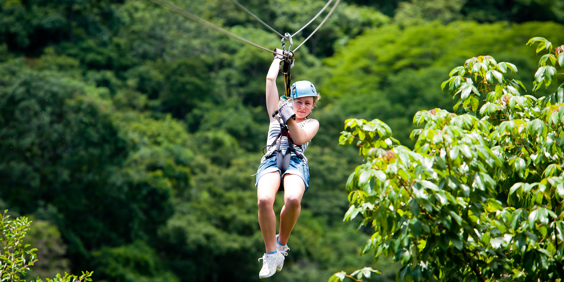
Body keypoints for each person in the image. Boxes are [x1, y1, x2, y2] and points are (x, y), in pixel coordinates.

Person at [254, 52, 320, 279]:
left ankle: (281, 244)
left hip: (295, 162)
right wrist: (277, 58)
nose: (302, 107)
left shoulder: (312, 123)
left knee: (292, 199)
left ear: (312, 106)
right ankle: (270, 253)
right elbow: (270, 81)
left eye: (307, 104)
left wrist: (289, 116)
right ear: (291, 100)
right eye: (299, 102)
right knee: (264, 200)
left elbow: (300, 139)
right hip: (272, 158)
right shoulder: (276, 114)